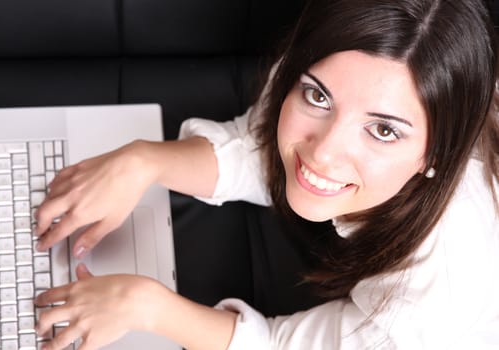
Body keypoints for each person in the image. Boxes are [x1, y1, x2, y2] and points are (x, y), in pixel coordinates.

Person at [33, 0, 499, 349]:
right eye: (318, 99)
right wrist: (143, 160)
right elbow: (259, 150)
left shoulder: (436, 296)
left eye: (381, 130)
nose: (323, 154)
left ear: (437, 153)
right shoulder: (341, 68)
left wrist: (148, 307)